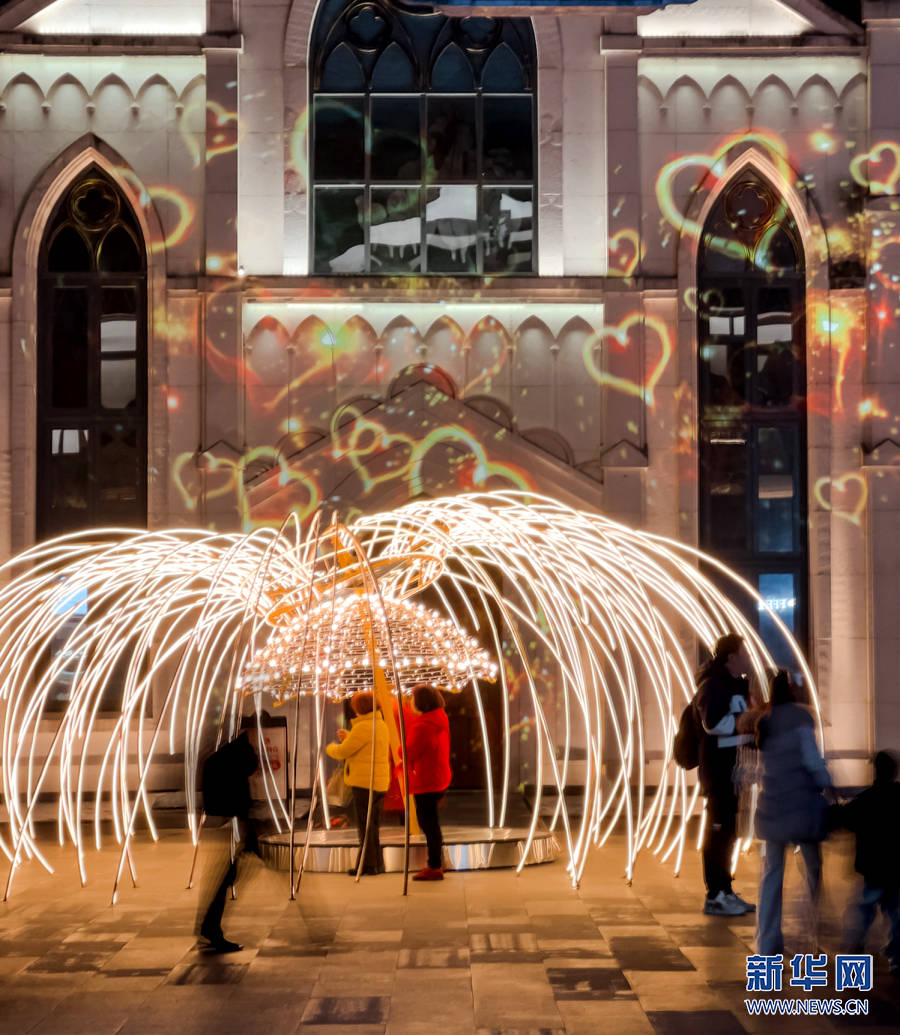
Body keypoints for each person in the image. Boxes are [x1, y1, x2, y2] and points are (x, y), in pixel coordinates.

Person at [755, 670, 832, 955]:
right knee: (813, 873)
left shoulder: (766, 720)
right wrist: (828, 783)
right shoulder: (802, 717)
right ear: (794, 691)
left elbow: (763, 765)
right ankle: (811, 938)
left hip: (771, 809)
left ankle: (767, 944)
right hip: (801, 808)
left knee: (772, 876)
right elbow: (811, 759)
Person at [696, 632, 757, 916]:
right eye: (743, 653)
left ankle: (725, 890)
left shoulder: (733, 685)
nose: (748, 658)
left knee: (729, 832)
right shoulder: (713, 686)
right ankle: (716, 894)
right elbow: (713, 724)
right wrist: (746, 722)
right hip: (718, 773)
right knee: (718, 832)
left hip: (733, 772)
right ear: (731, 657)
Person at [197, 730, 260, 953]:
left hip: (220, 821)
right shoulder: (237, 751)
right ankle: (210, 929)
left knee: (222, 879)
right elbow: (250, 767)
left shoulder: (217, 752)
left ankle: (209, 928)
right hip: (229, 824)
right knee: (223, 879)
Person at [842, 750, 900, 972]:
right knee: (894, 912)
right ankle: (896, 956)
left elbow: (846, 818)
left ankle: (856, 947)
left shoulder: (866, 799)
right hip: (895, 870)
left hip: (872, 869)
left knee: (864, 910)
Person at [326, 690, 391, 876]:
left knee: (365, 827)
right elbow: (365, 746)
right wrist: (349, 736)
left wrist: (330, 747)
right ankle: (378, 864)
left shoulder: (363, 727)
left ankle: (367, 866)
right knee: (373, 827)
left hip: (364, 783)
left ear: (359, 708)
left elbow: (343, 752)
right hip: (379, 782)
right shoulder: (380, 724)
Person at [406, 684, 452, 882]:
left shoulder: (424, 726)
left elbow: (410, 751)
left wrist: (401, 749)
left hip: (427, 779)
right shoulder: (438, 719)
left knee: (428, 823)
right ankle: (437, 862)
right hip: (438, 776)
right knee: (432, 823)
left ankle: (434, 865)